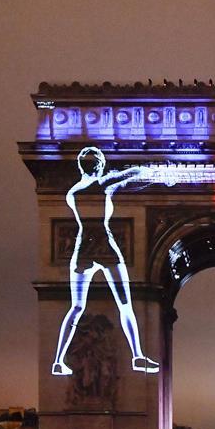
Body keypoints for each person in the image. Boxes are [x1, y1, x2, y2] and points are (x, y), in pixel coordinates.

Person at [52, 147, 159, 376]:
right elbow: (134, 173)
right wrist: (148, 168)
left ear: (81, 166)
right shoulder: (102, 185)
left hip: (82, 248)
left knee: (76, 307)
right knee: (125, 304)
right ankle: (138, 356)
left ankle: (58, 361)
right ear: (100, 166)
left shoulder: (72, 193)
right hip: (105, 247)